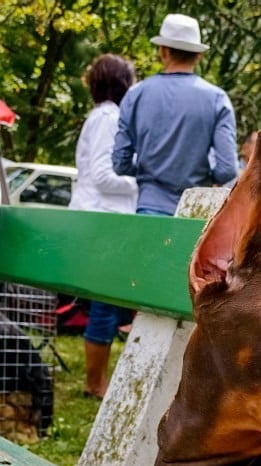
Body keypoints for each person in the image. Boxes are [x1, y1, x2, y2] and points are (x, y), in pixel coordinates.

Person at [112, 13, 237, 216]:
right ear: (199, 55)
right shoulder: (217, 99)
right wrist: (203, 178)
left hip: (150, 206)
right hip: (196, 210)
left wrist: (147, 172)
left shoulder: (136, 94)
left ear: (163, 51)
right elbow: (227, 168)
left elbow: (120, 163)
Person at [69, 54, 137, 399]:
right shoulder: (110, 117)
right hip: (104, 219)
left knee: (109, 303)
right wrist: (140, 180)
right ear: (123, 83)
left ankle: (96, 381)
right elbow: (102, 175)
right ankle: (96, 383)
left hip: (98, 216)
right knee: (106, 304)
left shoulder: (101, 116)